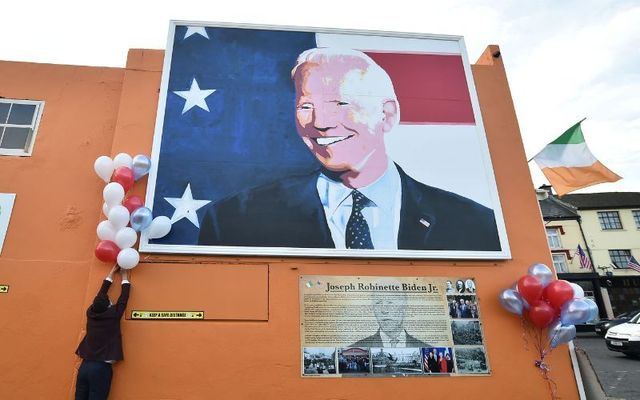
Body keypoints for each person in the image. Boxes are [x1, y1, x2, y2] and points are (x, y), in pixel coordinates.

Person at [198, 47, 501, 251]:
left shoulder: (478, 224)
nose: (320, 122)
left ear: (388, 114)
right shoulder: (233, 221)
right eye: (306, 106)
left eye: (340, 103)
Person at [75, 265, 130, 400]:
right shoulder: (114, 315)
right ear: (108, 306)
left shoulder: (90, 313)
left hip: (84, 366)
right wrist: (124, 276)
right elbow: (124, 298)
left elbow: (100, 295)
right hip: (100, 368)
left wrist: (111, 273)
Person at [350, 284, 428, 348]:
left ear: (404, 307)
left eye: (390, 302)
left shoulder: (424, 347)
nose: (384, 310)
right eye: (378, 303)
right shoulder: (357, 347)